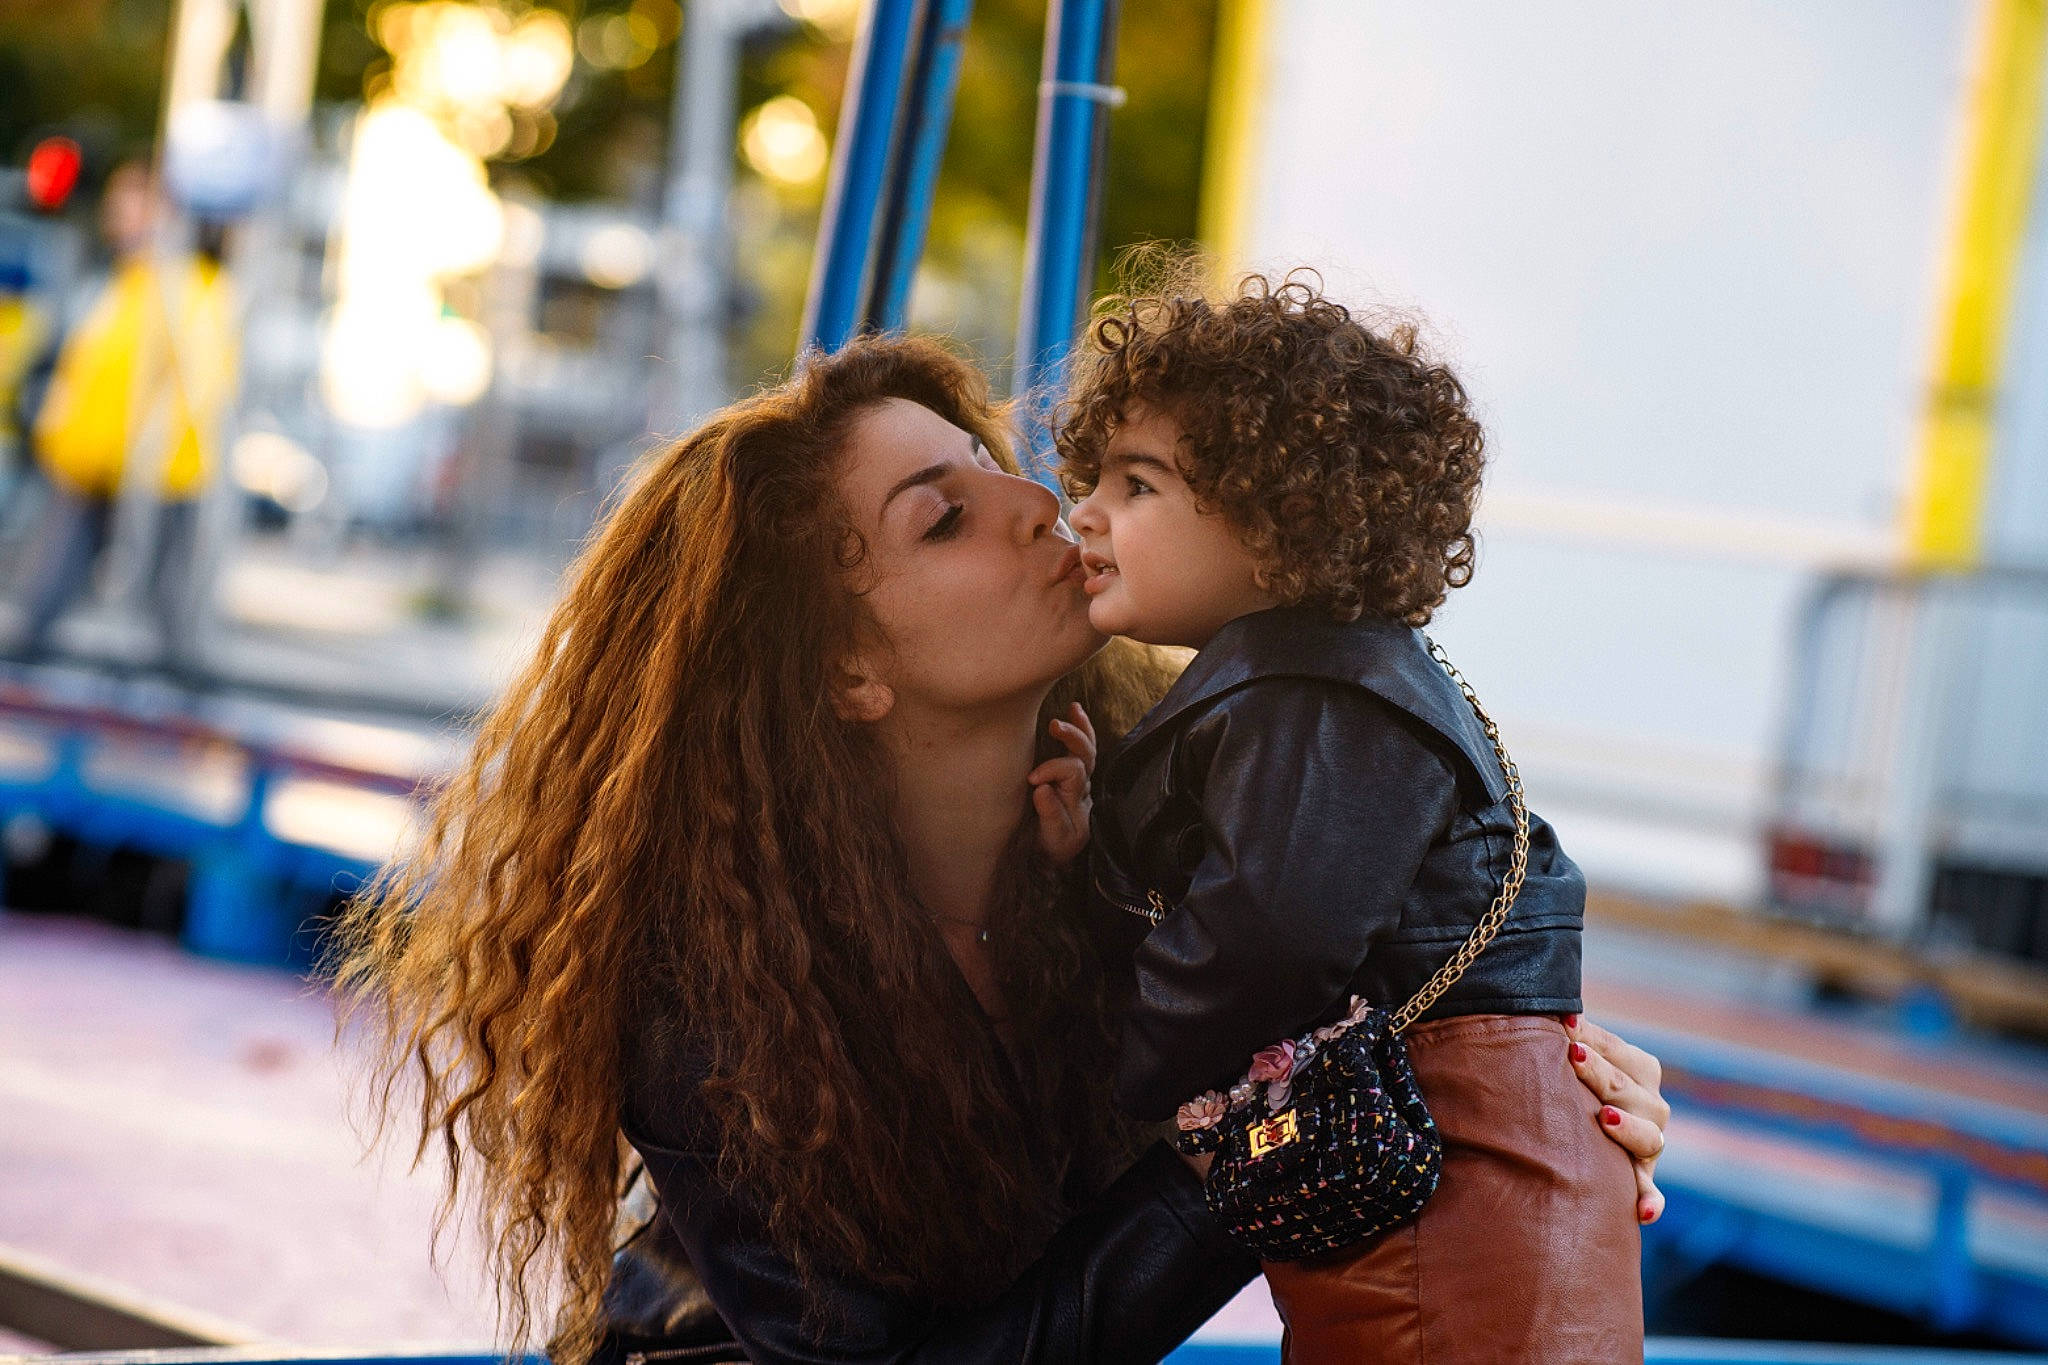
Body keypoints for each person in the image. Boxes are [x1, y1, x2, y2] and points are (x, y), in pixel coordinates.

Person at [329, 333, 1670, 1365]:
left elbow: (1411, 1037)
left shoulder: (1153, 868)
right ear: (846, 668)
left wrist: (1530, 1104)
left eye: (1001, 467)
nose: (1038, 504)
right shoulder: (712, 996)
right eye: (945, 515)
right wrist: (1251, 1152)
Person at [1060, 271, 1642, 1361]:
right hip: (1448, 1159)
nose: (1084, 510)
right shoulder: (1321, 680)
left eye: (1135, 485)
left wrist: (1121, 1067)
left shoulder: (1319, 690)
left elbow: (1271, 932)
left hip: (1465, 1171)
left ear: (1279, 517)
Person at [10, 159, 234, 666]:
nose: (117, 218)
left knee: (167, 591)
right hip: (88, 461)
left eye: (130, 206)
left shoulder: (193, 288)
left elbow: (201, 387)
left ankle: (179, 678)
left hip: (159, 471)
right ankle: (31, 655)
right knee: (50, 580)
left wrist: (153, 451)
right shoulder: (117, 283)